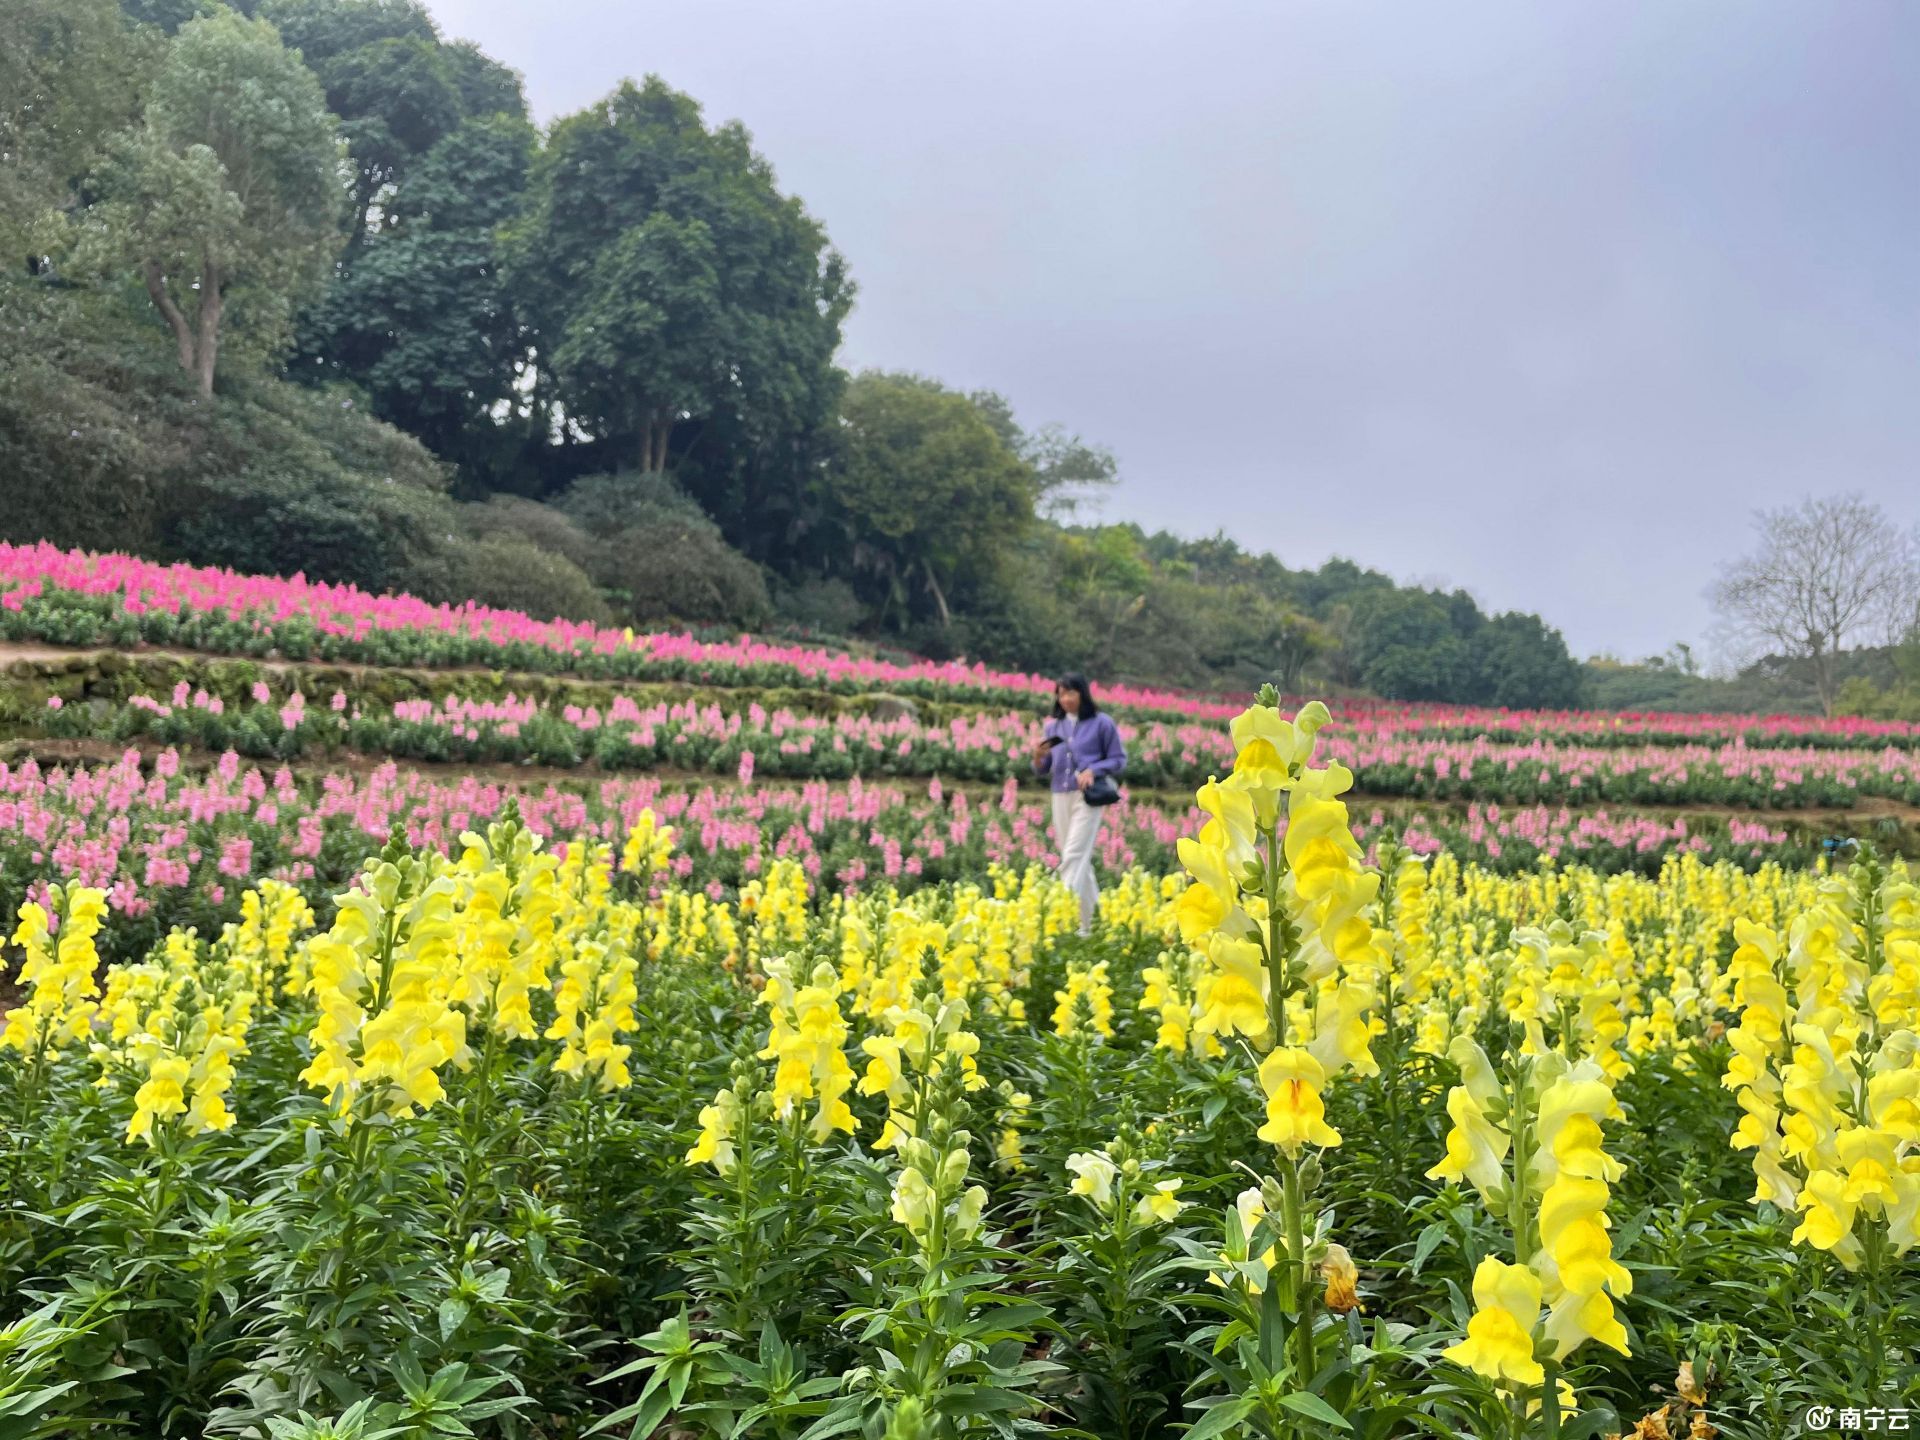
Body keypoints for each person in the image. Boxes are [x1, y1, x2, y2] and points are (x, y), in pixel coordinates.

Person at [1030, 673, 1126, 937]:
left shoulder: (1101, 723)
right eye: (1061, 694)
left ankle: (1058, 914)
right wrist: (1038, 758)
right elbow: (1043, 768)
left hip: (1088, 797)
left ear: (1083, 694)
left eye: (1070, 693)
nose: (1066, 699)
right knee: (1078, 858)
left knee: (1073, 854)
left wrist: (1093, 769)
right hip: (1060, 794)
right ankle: (1092, 926)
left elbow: (1119, 759)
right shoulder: (1053, 727)